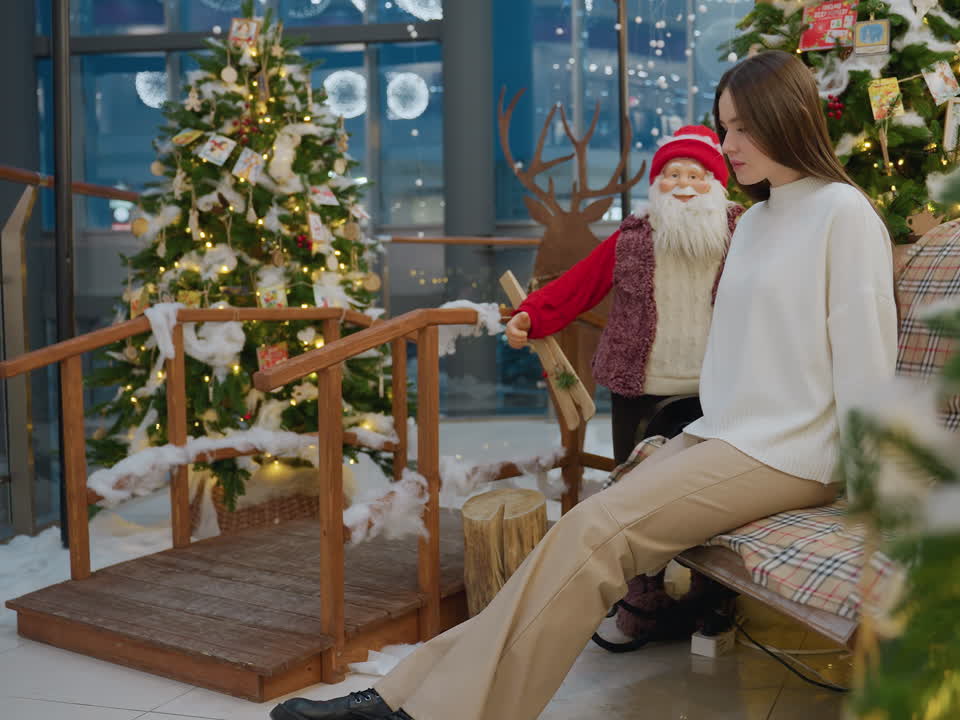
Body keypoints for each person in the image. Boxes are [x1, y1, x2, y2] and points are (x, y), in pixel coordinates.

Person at [270, 49, 898, 720]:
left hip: (794, 451)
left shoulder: (842, 213)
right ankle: (399, 694)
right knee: (571, 537)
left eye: (742, 127)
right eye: (724, 126)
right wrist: (692, 439)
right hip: (730, 437)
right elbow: (739, 355)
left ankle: (429, 714)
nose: (727, 145)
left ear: (787, 117)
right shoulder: (757, 222)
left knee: (599, 530)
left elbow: (866, 359)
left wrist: (871, 488)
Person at [505, 124, 745, 466]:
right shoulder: (632, 239)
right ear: (657, 184)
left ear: (716, 185)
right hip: (640, 392)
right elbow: (580, 283)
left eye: (696, 175)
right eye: (673, 174)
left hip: (717, 391)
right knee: (633, 483)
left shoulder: (741, 235)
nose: (684, 184)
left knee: (708, 484)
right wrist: (533, 314)